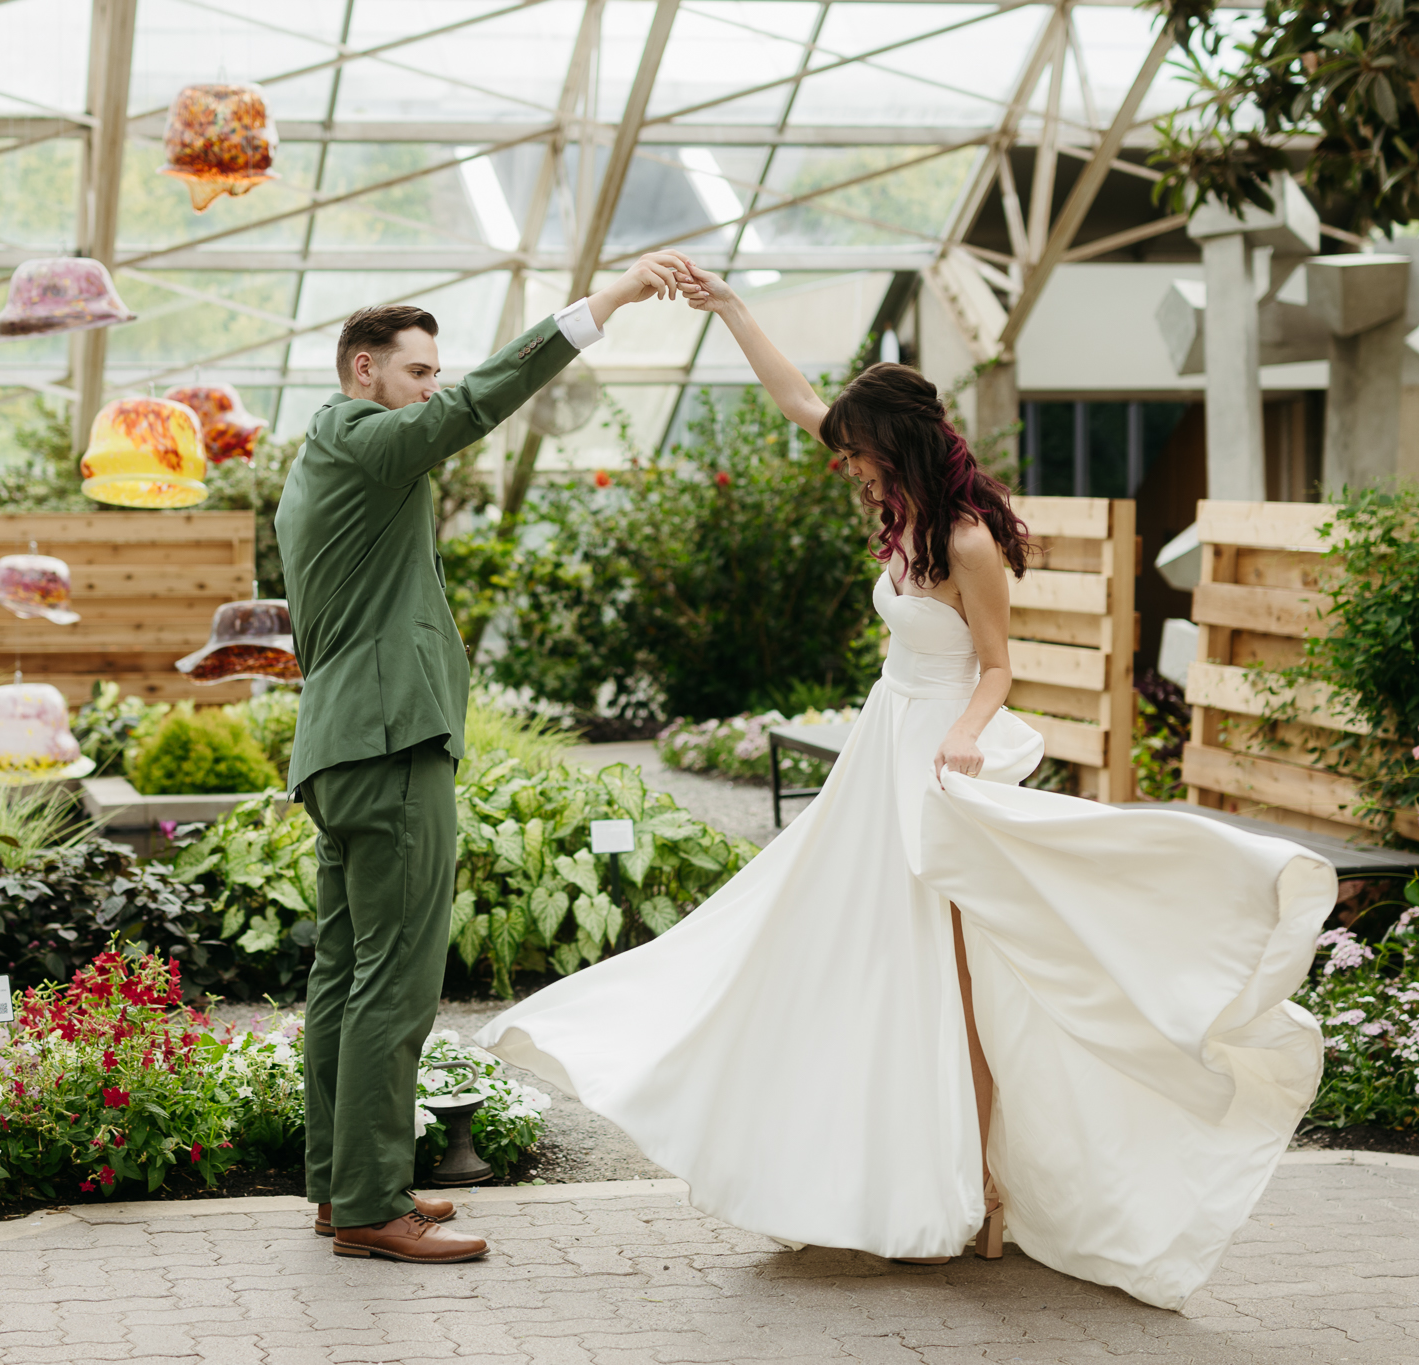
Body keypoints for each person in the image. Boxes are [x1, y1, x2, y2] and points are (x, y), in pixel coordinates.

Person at [473, 258, 1338, 1310]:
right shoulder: (896, 505)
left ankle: (975, 1193)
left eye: (857, 457)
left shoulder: (966, 538)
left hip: (939, 753)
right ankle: (903, 1181)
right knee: (864, 958)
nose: (844, 472)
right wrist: (732, 309)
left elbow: (997, 665)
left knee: (954, 981)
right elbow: (801, 403)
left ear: (898, 447)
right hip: (886, 743)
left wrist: (967, 737)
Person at [276, 252, 689, 1265]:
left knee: (343, 973)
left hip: (341, 747)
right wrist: (607, 302)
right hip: (389, 739)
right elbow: (472, 412)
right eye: (420, 370)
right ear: (364, 369)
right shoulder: (367, 438)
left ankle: (342, 1187)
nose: (436, 386)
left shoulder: (322, 458)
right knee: (396, 980)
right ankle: (373, 1205)